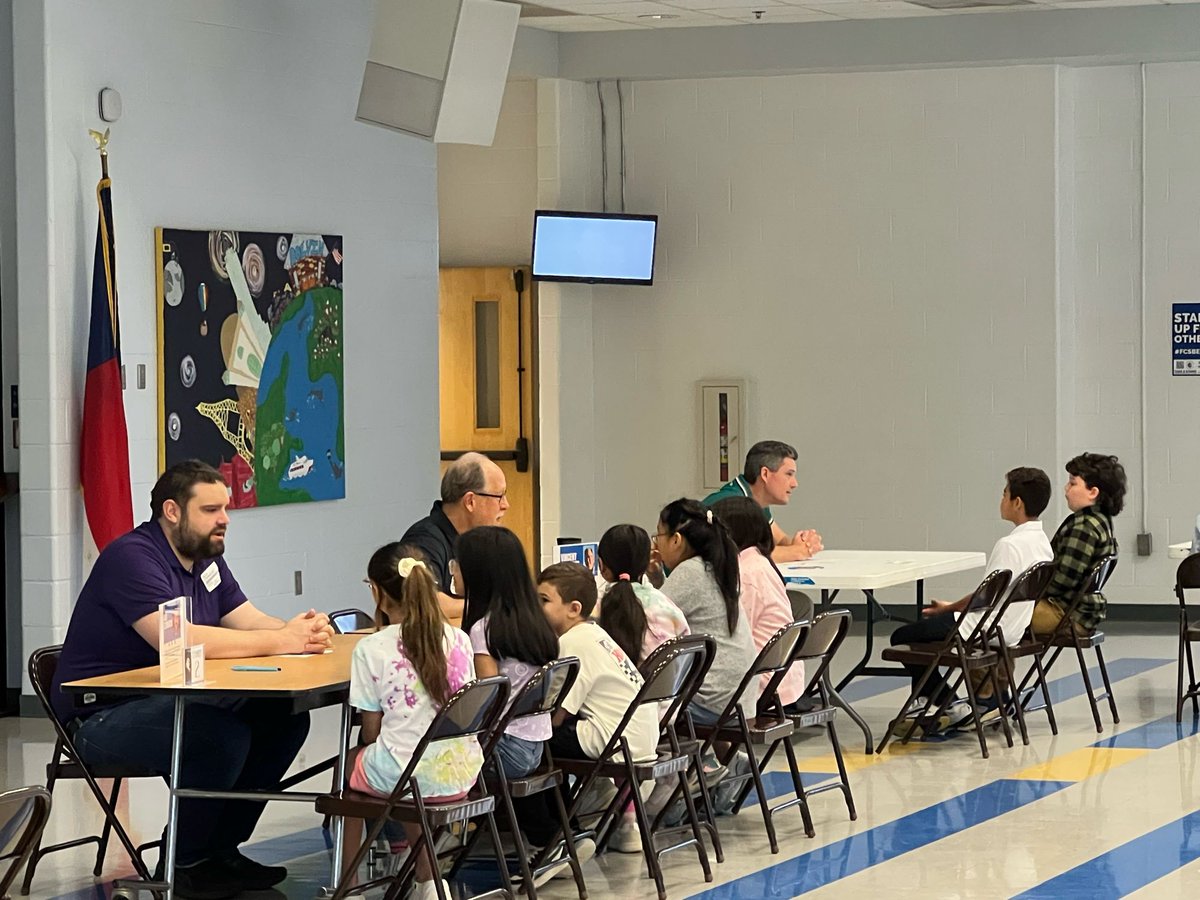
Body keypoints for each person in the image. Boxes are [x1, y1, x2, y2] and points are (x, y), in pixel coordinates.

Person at [52, 460, 334, 900]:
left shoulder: (206, 561)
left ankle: (218, 850)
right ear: (172, 511)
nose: (224, 519)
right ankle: (182, 863)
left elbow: (247, 619)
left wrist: (298, 632)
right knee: (216, 738)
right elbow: (177, 642)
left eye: (225, 508)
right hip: (100, 715)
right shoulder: (132, 557)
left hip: (174, 700)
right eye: (210, 509)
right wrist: (281, 640)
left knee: (284, 718)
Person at [344, 544, 482, 900]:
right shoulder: (459, 640)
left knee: (357, 766)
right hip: (463, 772)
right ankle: (428, 880)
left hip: (411, 776)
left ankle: (350, 885)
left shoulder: (371, 648)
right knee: (409, 764)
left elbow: (371, 732)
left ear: (377, 591)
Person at [893, 467, 1054, 728]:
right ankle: (934, 702)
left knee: (902, 637)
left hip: (981, 629)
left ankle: (947, 702)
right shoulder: (1043, 544)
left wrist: (948, 609)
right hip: (1013, 629)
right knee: (920, 634)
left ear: (1017, 502)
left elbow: (983, 598)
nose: (1001, 500)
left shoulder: (1009, 545)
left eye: (1004, 494)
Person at [525, 562, 658, 864]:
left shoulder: (571, 643)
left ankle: (555, 836)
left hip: (614, 741)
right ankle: (588, 810)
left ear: (573, 608)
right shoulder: (593, 632)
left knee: (532, 743)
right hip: (638, 737)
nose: (535, 608)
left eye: (543, 601)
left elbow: (556, 716)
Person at [457, 526, 559, 780]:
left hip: (503, 751)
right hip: (537, 747)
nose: (454, 572)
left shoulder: (484, 629)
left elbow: (486, 700)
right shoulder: (538, 622)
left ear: (478, 575)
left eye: (457, 565)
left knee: (418, 762)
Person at [656, 499, 757, 724]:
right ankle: (717, 758)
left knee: (642, 700)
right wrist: (656, 578)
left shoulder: (690, 572)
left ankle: (695, 759)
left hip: (713, 701)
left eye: (658, 536)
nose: (656, 545)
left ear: (676, 540)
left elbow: (648, 619)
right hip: (739, 697)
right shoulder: (715, 565)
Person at [712, 497, 805, 708]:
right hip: (783, 678)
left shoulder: (746, 574)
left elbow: (734, 637)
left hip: (765, 684)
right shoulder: (759, 562)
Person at [400, 452, 510, 621]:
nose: (505, 505)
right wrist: (491, 605)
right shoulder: (425, 540)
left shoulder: (483, 542)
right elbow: (427, 602)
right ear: (470, 502)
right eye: (499, 496)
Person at [1031, 453, 1126, 637]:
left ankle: (987, 666)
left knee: (998, 618)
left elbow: (1063, 580)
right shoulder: (1100, 520)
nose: (1066, 489)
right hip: (1080, 612)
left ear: (1093, 492)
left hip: (1064, 613)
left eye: (1073, 483)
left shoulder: (1084, 527)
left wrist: (1029, 592)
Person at [701, 440, 823, 563]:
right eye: (789, 474)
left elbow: (780, 540)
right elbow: (745, 555)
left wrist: (803, 542)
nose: (794, 484)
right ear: (765, 474)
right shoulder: (734, 503)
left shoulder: (757, 499)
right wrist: (798, 551)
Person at [594, 524, 689, 667]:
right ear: (647, 563)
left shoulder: (593, 610)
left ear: (602, 566)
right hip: (668, 688)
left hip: (616, 687)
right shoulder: (669, 608)